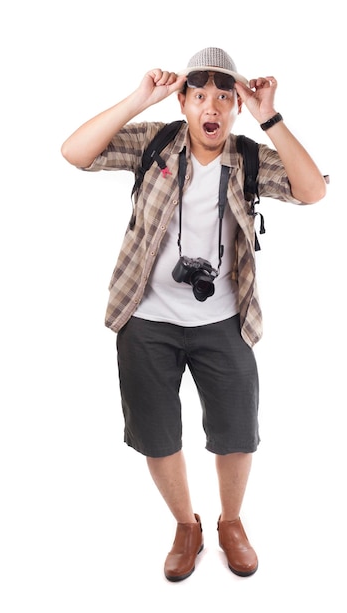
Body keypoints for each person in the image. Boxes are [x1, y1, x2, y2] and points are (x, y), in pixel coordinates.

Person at [61, 47, 327, 582]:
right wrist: (141, 98)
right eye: (200, 95)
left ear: (235, 108)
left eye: (224, 98)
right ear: (183, 102)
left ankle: (231, 523)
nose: (212, 107)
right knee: (157, 436)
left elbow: (313, 190)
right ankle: (187, 526)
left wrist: (268, 115)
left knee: (236, 432)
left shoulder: (247, 158)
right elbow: (75, 152)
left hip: (224, 321)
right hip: (146, 320)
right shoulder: (157, 141)